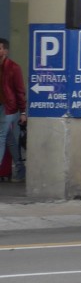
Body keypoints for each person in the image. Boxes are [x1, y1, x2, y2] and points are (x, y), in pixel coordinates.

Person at [0, 37, 27, 183]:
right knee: (9, 140)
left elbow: (20, 91)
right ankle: (20, 169)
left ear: (5, 51)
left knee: (1, 137)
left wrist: (23, 112)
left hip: (8, 108)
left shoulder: (14, 68)